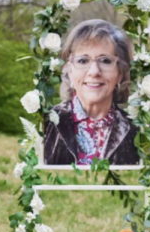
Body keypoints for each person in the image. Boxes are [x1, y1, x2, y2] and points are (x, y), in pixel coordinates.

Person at [43, 19, 138, 167]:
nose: (94, 72)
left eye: (105, 61)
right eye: (82, 61)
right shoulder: (46, 123)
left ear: (120, 73)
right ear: (69, 70)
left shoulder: (136, 129)